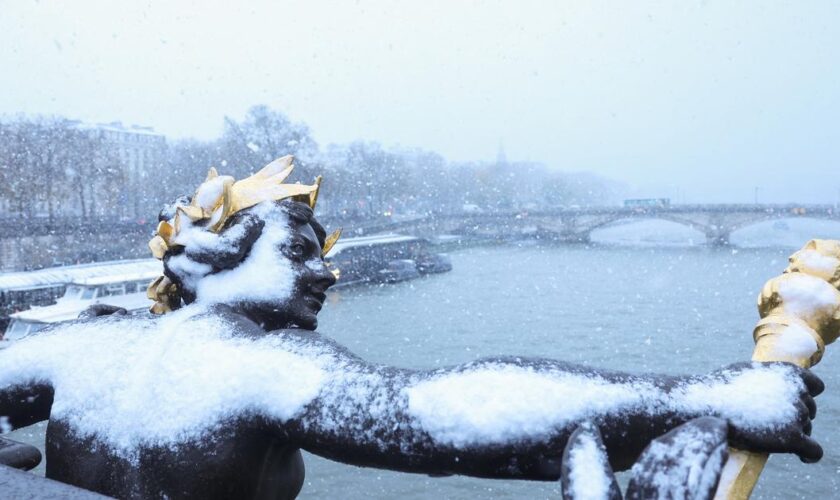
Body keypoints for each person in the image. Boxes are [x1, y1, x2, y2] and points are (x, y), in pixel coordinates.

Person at [0, 158, 825, 499]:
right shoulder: (256, 364)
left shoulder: (79, 342)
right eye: (298, 250)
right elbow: (439, 413)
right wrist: (705, 396)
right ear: (205, 261)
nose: (326, 270)